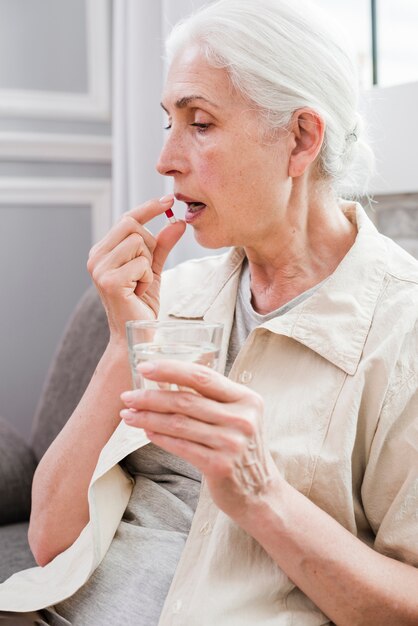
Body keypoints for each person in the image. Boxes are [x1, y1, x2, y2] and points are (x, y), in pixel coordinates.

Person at [1, 0, 418, 624]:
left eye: (200, 123)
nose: (165, 159)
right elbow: (50, 539)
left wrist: (261, 493)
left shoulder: (401, 328)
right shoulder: (175, 294)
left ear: (300, 138)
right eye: (168, 121)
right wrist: (123, 340)